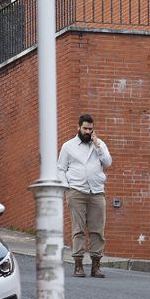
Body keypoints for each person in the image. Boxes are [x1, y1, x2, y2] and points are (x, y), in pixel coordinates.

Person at [57, 114, 113, 278]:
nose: (88, 132)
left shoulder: (99, 144)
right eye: (85, 128)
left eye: (90, 129)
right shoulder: (68, 146)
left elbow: (108, 162)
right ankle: (78, 265)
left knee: (98, 230)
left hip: (96, 192)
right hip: (76, 192)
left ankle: (96, 266)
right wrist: (67, 188)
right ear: (79, 127)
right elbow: (61, 168)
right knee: (78, 229)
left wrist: (97, 146)